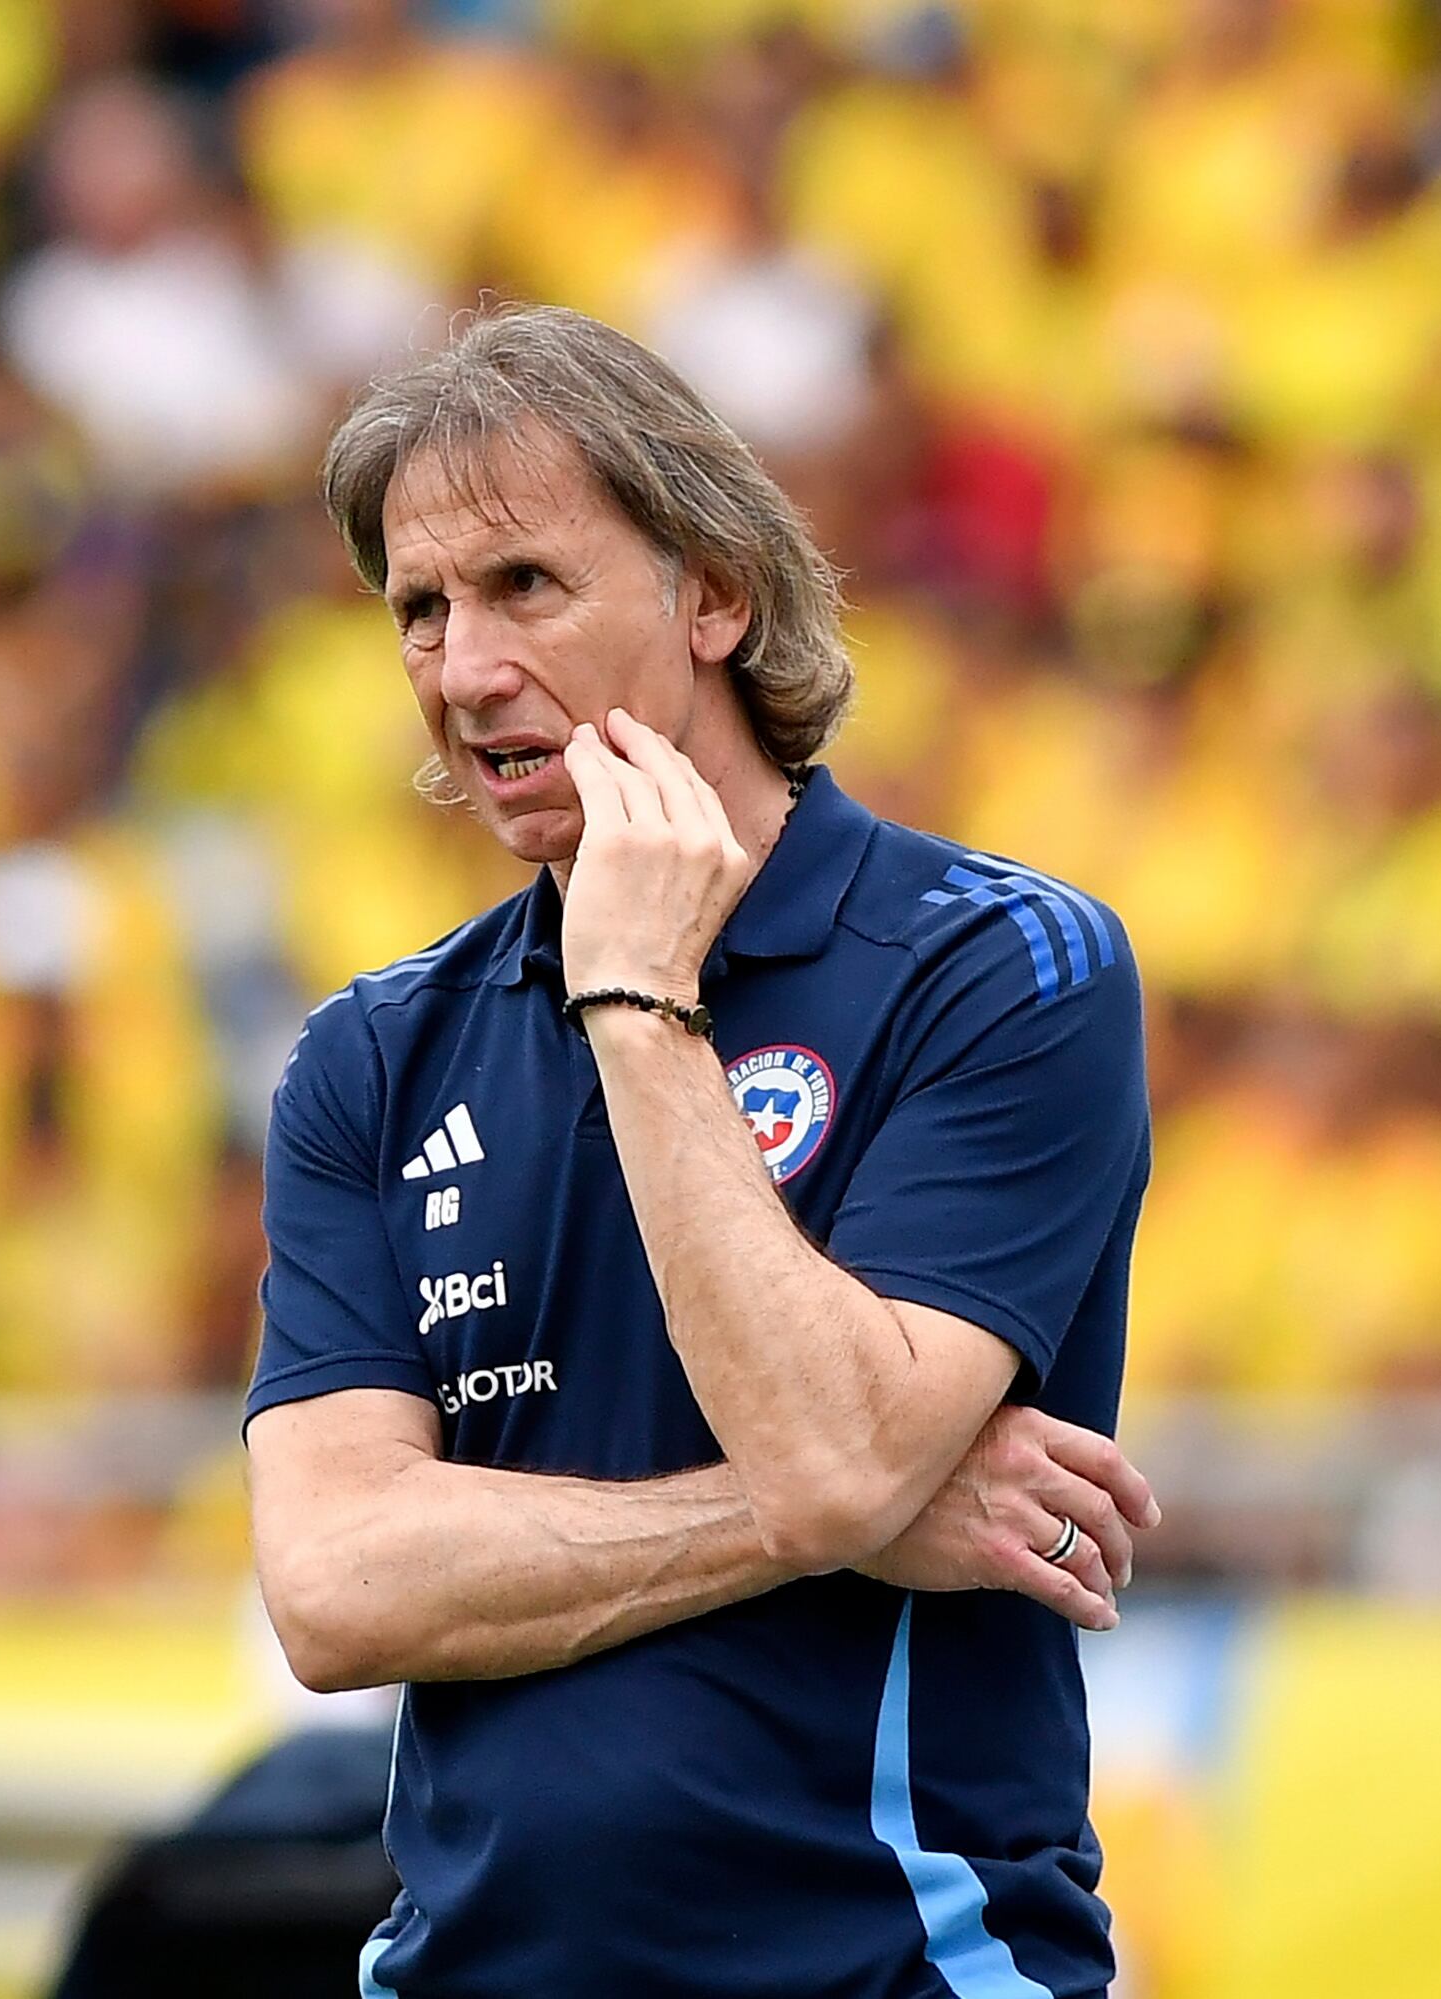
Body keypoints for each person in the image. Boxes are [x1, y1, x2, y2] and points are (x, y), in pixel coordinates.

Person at [242, 304, 1157, 1999]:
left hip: (897, 1970)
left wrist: (640, 999)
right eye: (421, 612)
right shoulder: (372, 1053)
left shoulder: (999, 962)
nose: (463, 669)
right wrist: (835, 1515)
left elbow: (831, 1454)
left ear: (715, 594)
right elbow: (338, 1590)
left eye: (527, 585)